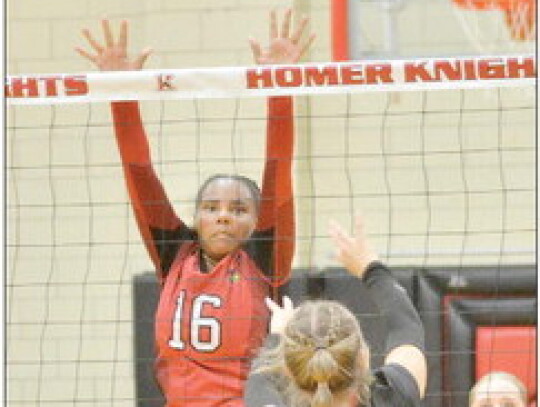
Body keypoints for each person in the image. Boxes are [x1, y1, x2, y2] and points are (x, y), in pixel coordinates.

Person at [76, 10, 314, 407]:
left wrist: (278, 87)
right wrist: (120, 95)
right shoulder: (174, 255)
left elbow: (278, 166)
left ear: (258, 222)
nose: (223, 215)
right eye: (211, 207)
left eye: (238, 209)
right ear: (197, 218)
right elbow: (139, 173)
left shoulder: (263, 258)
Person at [244, 216, 427, 406]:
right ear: (363, 358)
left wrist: (277, 336)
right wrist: (371, 269)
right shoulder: (395, 397)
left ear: (288, 369)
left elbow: (261, 378)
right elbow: (407, 327)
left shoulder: (262, 397)